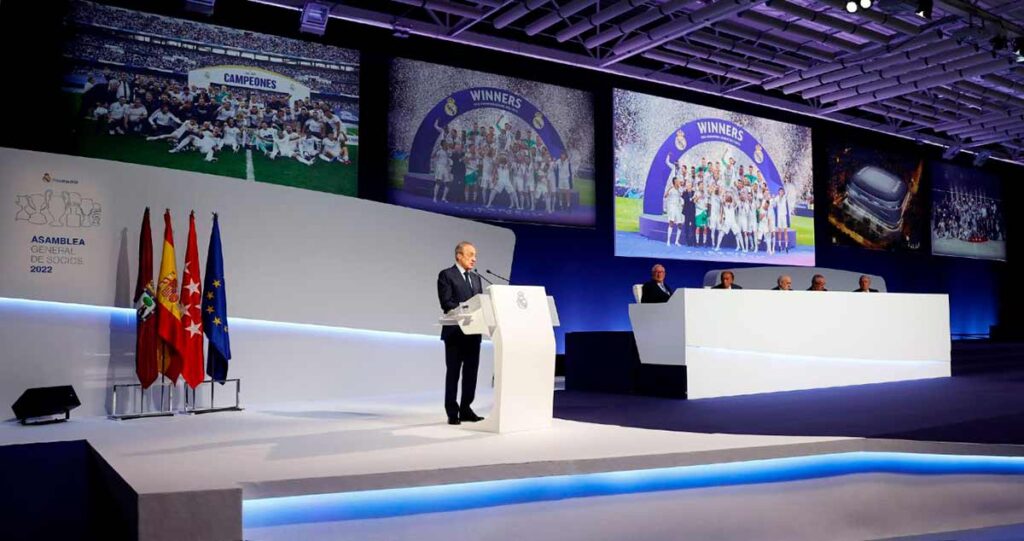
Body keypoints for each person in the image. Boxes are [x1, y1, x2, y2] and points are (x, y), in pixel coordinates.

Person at [437, 241, 485, 426]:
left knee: (471, 373)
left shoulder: (476, 278)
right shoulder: (446, 275)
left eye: (475, 255)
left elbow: (480, 303)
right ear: (459, 255)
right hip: (455, 332)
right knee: (454, 373)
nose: (474, 259)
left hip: (474, 332)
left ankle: (466, 409)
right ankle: (452, 412)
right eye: (470, 254)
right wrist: (465, 310)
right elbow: (446, 302)